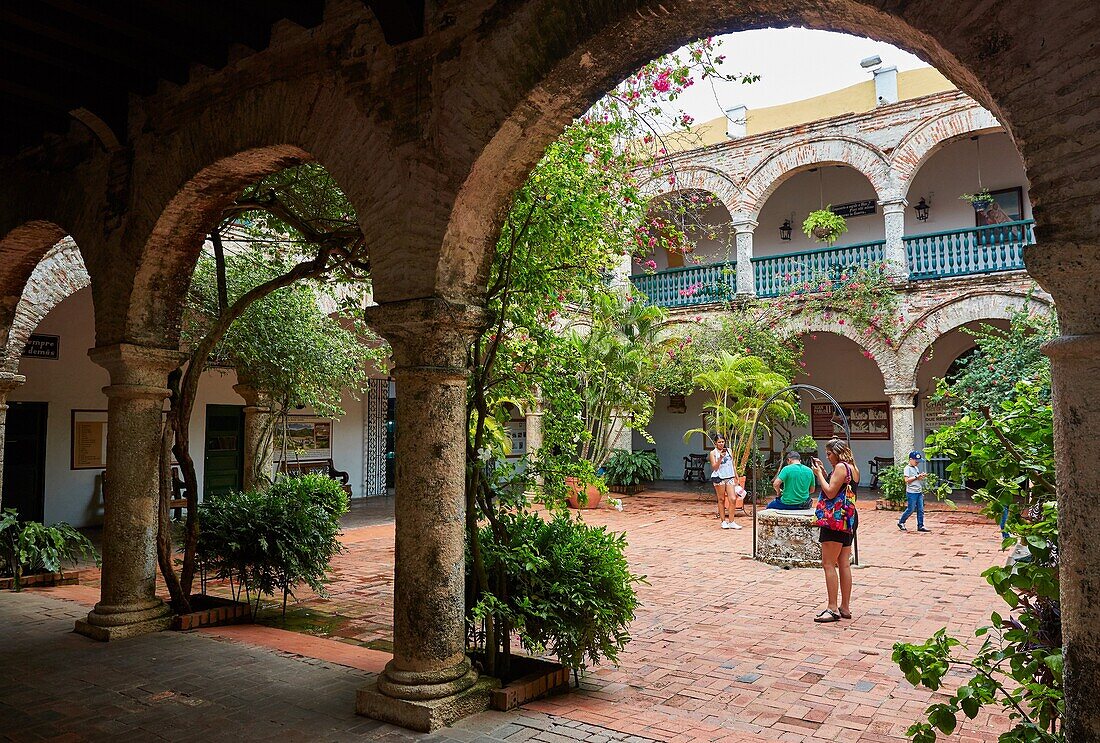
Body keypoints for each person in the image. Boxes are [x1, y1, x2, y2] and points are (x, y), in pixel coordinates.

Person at [809, 438, 860, 622]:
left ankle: (832, 608)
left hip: (835, 520)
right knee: (844, 563)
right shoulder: (853, 469)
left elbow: (830, 491)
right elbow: (839, 487)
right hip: (849, 519)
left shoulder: (840, 467)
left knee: (828, 563)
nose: (828, 457)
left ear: (837, 453)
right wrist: (824, 471)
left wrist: (818, 474)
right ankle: (845, 607)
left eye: (829, 454)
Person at [709, 435, 741, 529]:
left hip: (730, 476)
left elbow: (733, 464)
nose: (721, 444)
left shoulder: (729, 450)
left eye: (722, 441)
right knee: (721, 499)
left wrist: (736, 476)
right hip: (719, 477)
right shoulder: (713, 453)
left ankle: (731, 521)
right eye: (719, 442)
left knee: (733, 499)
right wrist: (720, 458)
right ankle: (723, 521)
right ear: (715, 443)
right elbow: (714, 467)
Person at [898, 450, 931, 532]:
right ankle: (901, 522)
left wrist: (921, 476)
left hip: (918, 491)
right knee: (911, 509)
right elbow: (906, 480)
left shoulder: (916, 468)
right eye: (916, 461)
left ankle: (921, 526)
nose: (917, 463)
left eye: (918, 462)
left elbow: (916, 478)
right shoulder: (907, 468)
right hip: (911, 492)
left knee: (921, 510)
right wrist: (917, 476)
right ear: (910, 459)